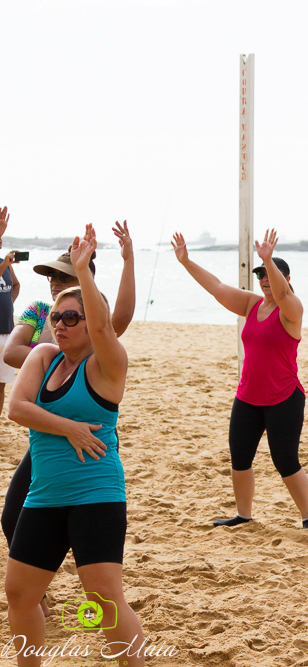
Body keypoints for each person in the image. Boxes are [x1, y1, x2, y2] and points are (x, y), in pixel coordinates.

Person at [5, 225, 146, 667]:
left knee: (105, 598)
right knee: (20, 594)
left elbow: (107, 321)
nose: (61, 324)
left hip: (95, 495)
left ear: (90, 324)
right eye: (57, 318)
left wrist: (87, 271)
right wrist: (68, 426)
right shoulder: (43, 357)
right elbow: (17, 408)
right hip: (44, 495)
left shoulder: (108, 365)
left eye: (72, 318)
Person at [172, 229, 308, 529]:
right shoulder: (252, 305)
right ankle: (244, 515)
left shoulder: (291, 309)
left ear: (285, 278)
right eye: (260, 274)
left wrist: (268, 259)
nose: (264, 278)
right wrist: (187, 262)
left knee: (285, 460)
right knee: (240, 457)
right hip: (248, 396)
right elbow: (216, 287)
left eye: (270, 274)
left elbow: (285, 294)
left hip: (284, 396)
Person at [0, 206, 21, 414]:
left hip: (6, 332)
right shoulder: (3, 263)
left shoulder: (5, 264)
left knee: (1, 386)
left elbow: (16, 285)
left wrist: (9, 302)